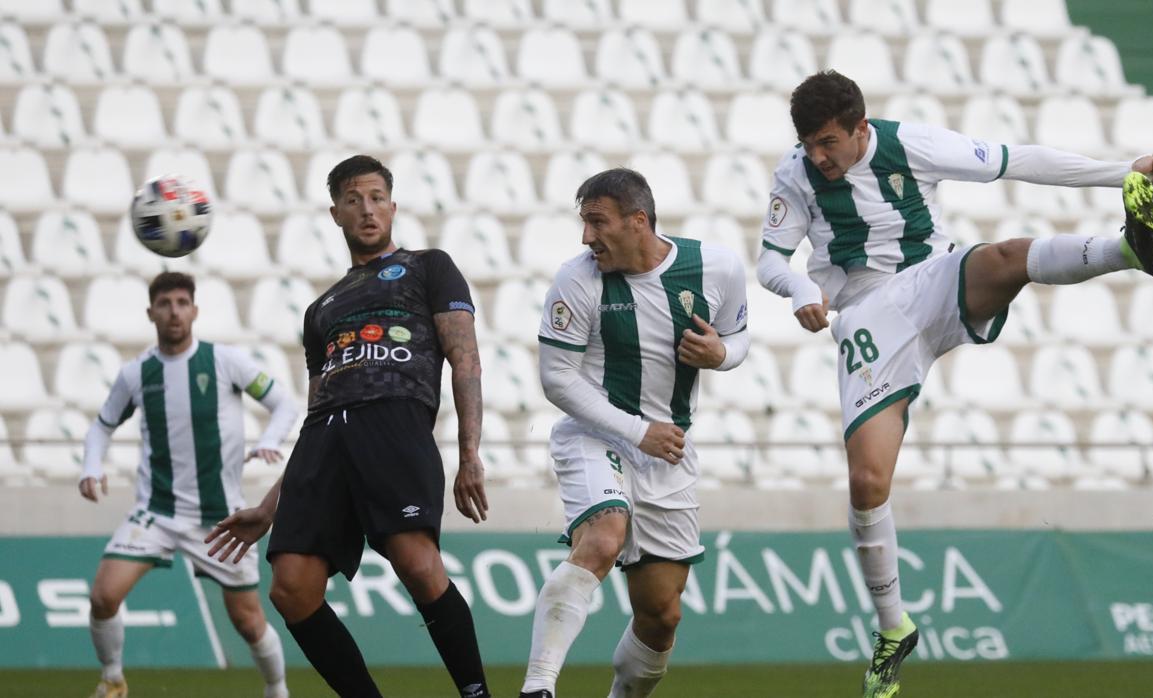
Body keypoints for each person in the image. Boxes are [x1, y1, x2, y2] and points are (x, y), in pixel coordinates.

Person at [757, 70, 1153, 697]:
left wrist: (1124, 171)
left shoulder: (911, 143)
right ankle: (893, 629)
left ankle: (1127, 249)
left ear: (860, 129)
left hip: (932, 279)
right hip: (867, 314)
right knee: (868, 483)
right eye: (810, 144)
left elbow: (1016, 161)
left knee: (1004, 258)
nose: (819, 157)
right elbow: (768, 259)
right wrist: (798, 289)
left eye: (828, 143)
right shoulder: (795, 173)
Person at [205, 154, 492, 698]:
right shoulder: (320, 309)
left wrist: (469, 453)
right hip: (325, 438)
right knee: (291, 589)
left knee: (416, 562)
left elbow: (466, 358)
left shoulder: (429, 266)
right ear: (335, 212)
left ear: (393, 206)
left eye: (378, 197)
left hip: (393, 418)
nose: (368, 209)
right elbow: (317, 408)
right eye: (355, 200)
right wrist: (269, 508)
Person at [518, 168, 751, 698]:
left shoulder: (715, 267)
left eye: (597, 223)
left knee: (661, 614)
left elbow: (737, 339)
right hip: (596, 433)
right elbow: (556, 378)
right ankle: (539, 686)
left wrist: (721, 354)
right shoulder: (577, 279)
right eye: (583, 223)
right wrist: (636, 430)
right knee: (603, 536)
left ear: (638, 221)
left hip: (667, 453)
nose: (586, 237)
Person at [78, 271, 299, 698]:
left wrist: (270, 440)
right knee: (104, 596)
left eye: (182, 302)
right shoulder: (136, 373)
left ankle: (277, 690)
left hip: (221, 517)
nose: (174, 311)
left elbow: (283, 404)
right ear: (151, 312)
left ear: (194, 310)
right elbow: (101, 426)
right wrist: (91, 466)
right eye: (165, 303)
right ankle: (112, 680)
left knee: (249, 622)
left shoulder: (225, 362)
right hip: (156, 511)